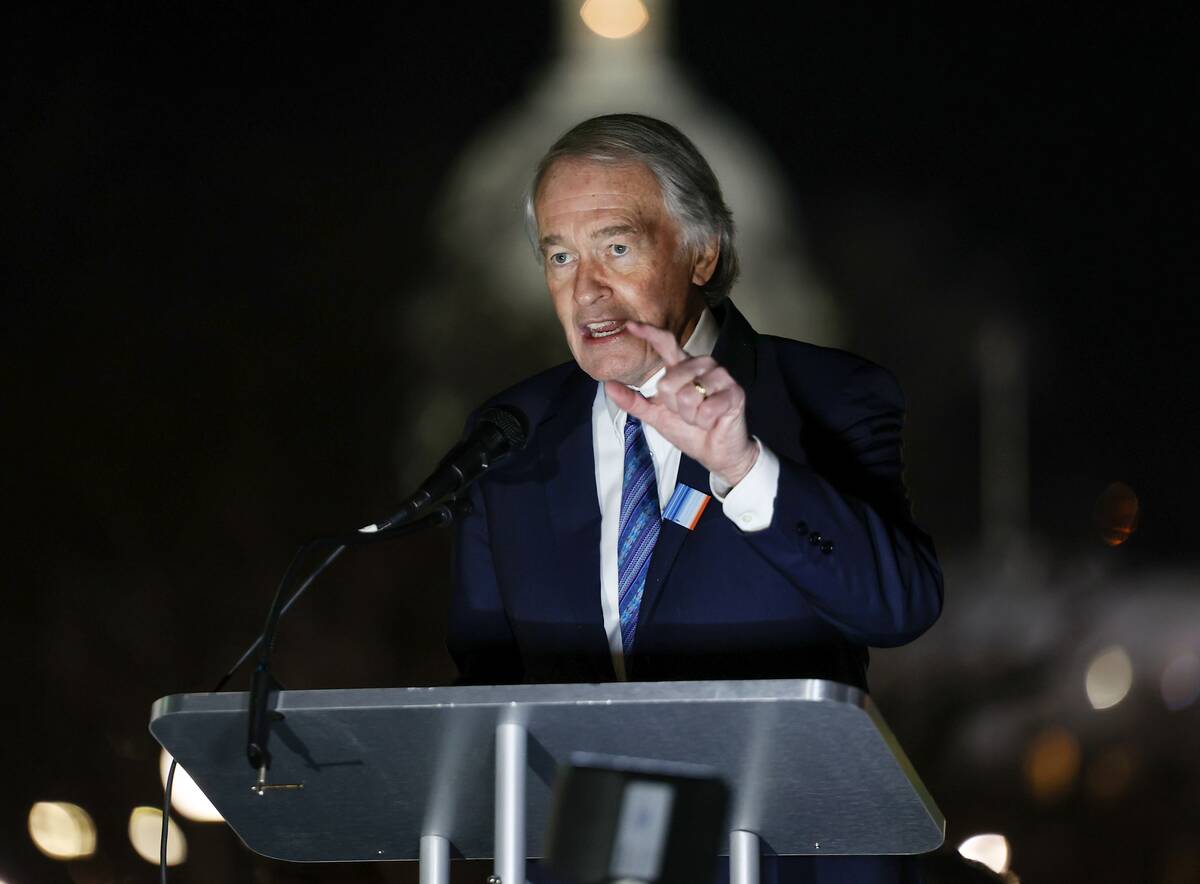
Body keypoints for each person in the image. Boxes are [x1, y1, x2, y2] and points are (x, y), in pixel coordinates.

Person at [448, 114, 943, 883]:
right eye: (560, 255)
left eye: (616, 247)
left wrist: (744, 466)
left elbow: (898, 606)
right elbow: (486, 695)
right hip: (585, 861)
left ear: (701, 253)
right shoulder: (512, 432)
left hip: (782, 860)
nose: (586, 288)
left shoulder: (827, 398)